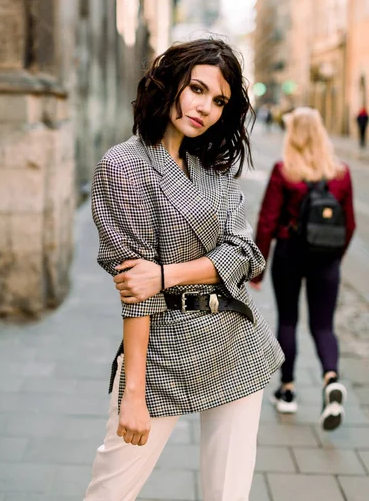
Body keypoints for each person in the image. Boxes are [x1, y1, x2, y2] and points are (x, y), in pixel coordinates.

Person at [83, 39, 284, 501]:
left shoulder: (209, 166)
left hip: (235, 345)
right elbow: (137, 290)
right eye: (197, 88)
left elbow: (248, 254)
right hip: (160, 356)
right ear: (170, 81)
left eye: (219, 101)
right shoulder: (124, 165)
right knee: (109, 493)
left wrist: (166, 273)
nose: (205, 108)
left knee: (228, 495)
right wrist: (133, 393)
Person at [250, 107, 355, 431]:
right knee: (324, 326)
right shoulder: (341, 172)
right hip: (326, 258)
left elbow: (267, 221)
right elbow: (349, 224)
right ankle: (330, 378)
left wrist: (257, 270)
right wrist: (334, 259)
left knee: (289, 320)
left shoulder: (286, 171)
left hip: (290, 253)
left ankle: (288, 390)